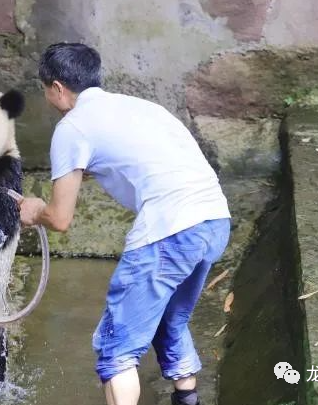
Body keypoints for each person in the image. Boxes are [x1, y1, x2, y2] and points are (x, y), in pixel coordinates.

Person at [18, 42, 231, 405]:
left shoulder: (72, 128)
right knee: (170, 321)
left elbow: (60, 218)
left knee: (116, 349)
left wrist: (34, 209)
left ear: (57, 88)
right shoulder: (141, 107)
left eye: (45, 90)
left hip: (170, 230)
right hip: (214, 220)